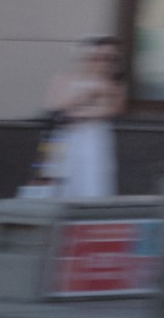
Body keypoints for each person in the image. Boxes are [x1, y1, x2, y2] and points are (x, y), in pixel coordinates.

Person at [45, 38, 125, 201]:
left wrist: (80, 112)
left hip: (94, 137)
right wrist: (87, 96)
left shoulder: (114, 84)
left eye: (110, 59)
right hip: (65, 137)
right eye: (97, 58)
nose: (103, 63)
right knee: (60, 180)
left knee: (93, 178)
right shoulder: (64, 80)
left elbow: (112, 110)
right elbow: (55, 106)